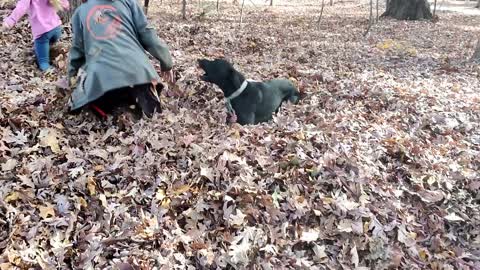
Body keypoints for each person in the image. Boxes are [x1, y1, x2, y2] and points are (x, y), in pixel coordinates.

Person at [67, 0, 174, 118]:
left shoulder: (80, 12)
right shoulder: (129, 2)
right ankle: (141, 101)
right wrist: (166, 62)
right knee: (144, 100)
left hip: (101, 80)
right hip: (137, 72)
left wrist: (72, 77)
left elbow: (77, 50)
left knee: (86, 97)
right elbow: (147, 34)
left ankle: (109, 108)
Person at [1, 0, 69, 72]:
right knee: (48, 45)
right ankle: (50, 52)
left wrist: (10, 21)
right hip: (56, 28)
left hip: (43, 33)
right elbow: (65, 4)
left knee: (43, 61)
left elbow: (21, 8)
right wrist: (66, 5)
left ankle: (49, 71)